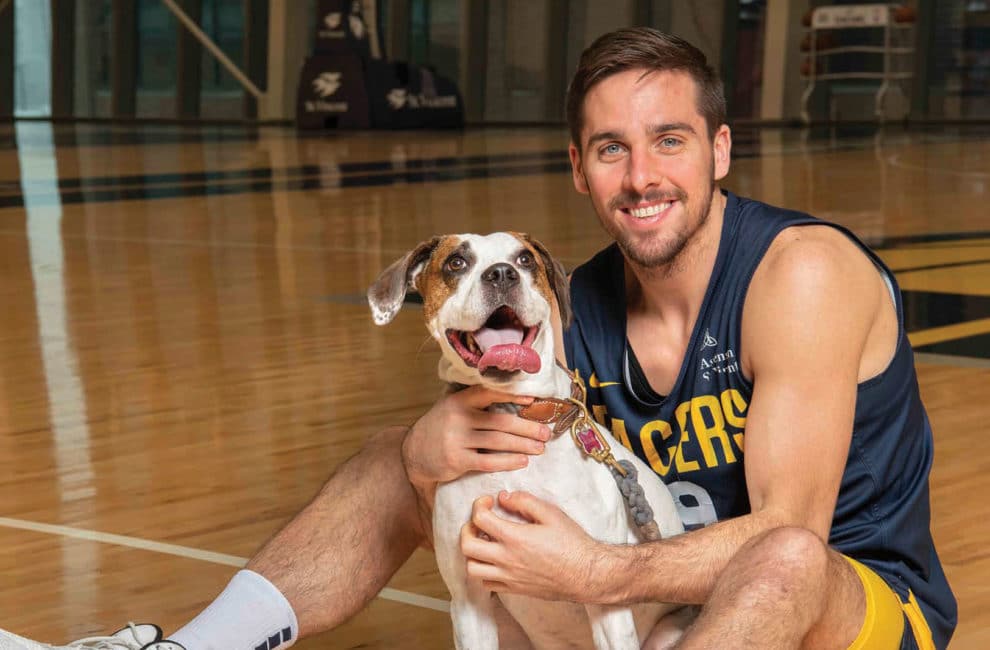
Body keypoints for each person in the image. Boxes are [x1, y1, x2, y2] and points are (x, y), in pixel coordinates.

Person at [1, 27, 955, 650]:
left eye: (670, 139)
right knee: (399, 454)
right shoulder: (567, 302)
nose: (642, 175)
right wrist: (425, 455)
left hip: (842, 607)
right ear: (578, 169)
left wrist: (595, 572)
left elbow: (792, 536)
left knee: (779, 561)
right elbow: (503, 456)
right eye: (611, 149)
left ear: (720, 149)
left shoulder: (801, 273)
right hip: (662, 608)